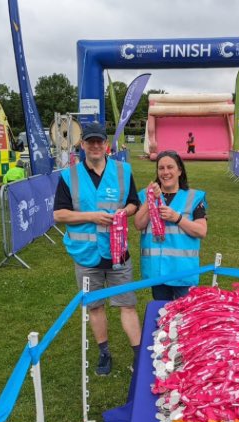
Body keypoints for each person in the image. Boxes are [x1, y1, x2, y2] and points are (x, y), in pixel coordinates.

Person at [53, 123, 141, 376]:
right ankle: (104, 352)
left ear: (106, 145)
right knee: (95, 307)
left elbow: (134, 202)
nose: (95, 146)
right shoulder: (69, 176)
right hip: (86, 255)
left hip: (118, 252)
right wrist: (92, 216)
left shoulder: (123, 171)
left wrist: (126, 211)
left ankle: (137, 354)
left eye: (99, 141)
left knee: (127, 304)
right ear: (83, 145)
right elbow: (59, 214)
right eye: (90, 142)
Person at [133, 150, 208, 302]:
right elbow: (139, 224)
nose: (165, 172)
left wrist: (177, 218)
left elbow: (201, 231)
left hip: (183, 272)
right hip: (157, 271)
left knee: (184, 317)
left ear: (179, 170)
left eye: (170, 167)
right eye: (161, 168)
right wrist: (150, 200)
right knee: (162, 313)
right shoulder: (145, 195)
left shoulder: (193, 197)